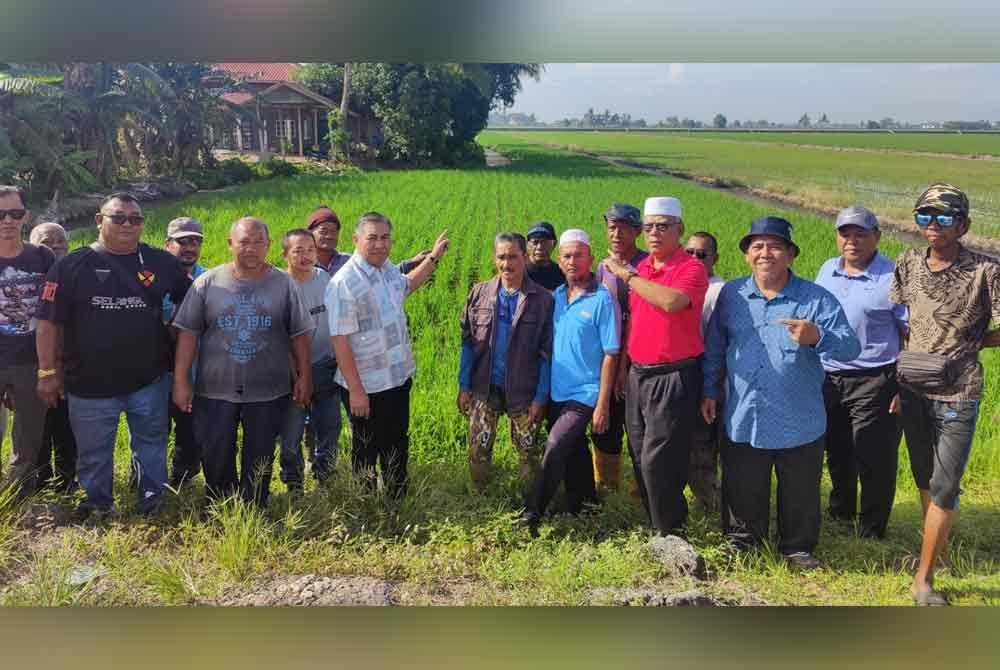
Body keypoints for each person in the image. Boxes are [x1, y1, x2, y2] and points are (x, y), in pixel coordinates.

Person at [702, 216, 860, 570]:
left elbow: (851, 346)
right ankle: (744, 543)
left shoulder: (815, 299)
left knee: (800, 489)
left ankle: (797, 547)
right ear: (746, 256)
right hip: (745, 412)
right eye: (756, 246)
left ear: (790, 254)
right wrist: (710, 389)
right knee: (743, 483)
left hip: (798, 415)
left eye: (774, 246)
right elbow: (715, 346)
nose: (765, 253)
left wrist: (817, 336)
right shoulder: (732, 295)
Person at [37, 192, 191, 518]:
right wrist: (47, 373)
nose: (127, 224)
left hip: (148, 380)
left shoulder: (161, 262)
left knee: (151, 448)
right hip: (89, 384)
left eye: (135, 219)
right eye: (118, 217)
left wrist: (175, 331)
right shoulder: (70, 266)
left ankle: (153, 504)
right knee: (93, 453)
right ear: (99, 220)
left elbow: (192, 302)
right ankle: (97, 505)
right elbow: (49, 324)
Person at [890, 184, 1000, 606]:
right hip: (914, 387)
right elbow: (903, 320)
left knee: (945, 485)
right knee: (924, 475)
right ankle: (938, 547)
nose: (932, 226)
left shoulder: (987, 271)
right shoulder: (908, 263)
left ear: (964, 225)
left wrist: (972, 343)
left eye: (943, 217)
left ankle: (923, 577)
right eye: (924, 216)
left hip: (959, 390)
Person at [172, 217, 314, 508]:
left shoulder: (284, 284)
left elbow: (299, 335)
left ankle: (254, 507)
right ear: (230, 244)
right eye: (244, 242)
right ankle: (221, 507)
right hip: (214, 389)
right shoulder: (207, 283)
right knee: (216, 452)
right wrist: (181, 380)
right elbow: (188, 334)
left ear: (269, 246)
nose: (251, 249)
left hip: (268, 389)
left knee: (260, 453)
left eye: (258, 242)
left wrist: (304, 376)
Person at [602, 197, 707, 536]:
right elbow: (637, 323)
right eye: (649, 227)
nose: (654, 233)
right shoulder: (646, 268)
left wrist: (627, 277)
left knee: (658, 459)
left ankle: (671, 531)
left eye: (663, 227)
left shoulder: (690, 268)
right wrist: (624, 369)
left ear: (680, 230)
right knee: (638, 452)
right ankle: (656, 523)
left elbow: (672, 302)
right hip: (639, 375)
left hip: (673, 375)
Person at [325, 212, 449, 499]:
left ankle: (397, 496)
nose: (380, 244)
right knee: (366, 446)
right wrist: (356, 391)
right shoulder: (345, 283)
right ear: (356, 240)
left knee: (396, 441)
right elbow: (339, 339)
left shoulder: (387, 269)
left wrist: (432, 258)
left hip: (397, 376)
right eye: (372, 238)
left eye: (385, 238)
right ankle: (365, 502)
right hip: (365, 386)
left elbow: (407, 285)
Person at [815, 206, 907, 539]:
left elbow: (910, 333)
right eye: (845, 234)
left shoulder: (893, 275)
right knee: (837, 449)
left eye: (860, 234)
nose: (851, 241)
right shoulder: (827, 269)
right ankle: (841, 513)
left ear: (877, 237)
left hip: (876, 377)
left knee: (874, 454)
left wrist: (904, 385)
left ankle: (872, 527)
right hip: (829, 375)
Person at [524, 229, 619, 529]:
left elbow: (610, 354)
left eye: (579, 255)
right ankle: (584, 506)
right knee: (574, 450)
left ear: (590, 258)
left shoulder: (603, 300)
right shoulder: (557, 298)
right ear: (560, 260)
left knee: (554, 445)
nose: (572, 261)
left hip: (585, 394)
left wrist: (602, 403)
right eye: (566, 256)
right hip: (557, 391)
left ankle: (532, 513)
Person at [459, 232, 552, 493]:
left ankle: (529, 501)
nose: (506, 264)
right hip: (484, 385)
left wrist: (541, 397)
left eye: (513, 256)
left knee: (528, 451)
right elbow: (467, 342)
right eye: (501, 257)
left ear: (524, 257)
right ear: (494, 258)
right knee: (478, 448)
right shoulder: (479, 294)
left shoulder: (543, 300)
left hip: (524, 389)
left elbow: (547, 354)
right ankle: (480, 495)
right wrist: (464, 385)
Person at [0, 186, 56, 499]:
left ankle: (16, 498)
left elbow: (55, 309)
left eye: (15, 213)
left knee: (28, 436)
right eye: (0, 214)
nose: (8, 220)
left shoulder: (41, 257)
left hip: (31, 360)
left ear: (26, 216)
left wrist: (53, 365)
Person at [278, 229, 340, 492]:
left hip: (325, 366)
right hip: (290, 373)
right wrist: (298, 376)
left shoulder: (324, 278)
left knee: (329, 427)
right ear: (285, 255)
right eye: (298, 251)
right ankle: (293, 483)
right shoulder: (278, 286)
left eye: (310, 250)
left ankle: (324, 475)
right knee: (291, 433)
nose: (305, 256)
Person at [592, 203, 647, 490]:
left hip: (639, 362)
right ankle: (606, 487)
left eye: (624, 227)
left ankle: (643, 493)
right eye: (612, 227)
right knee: (606, 425)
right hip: (608, 359)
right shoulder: (601, 268)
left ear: (637, 231)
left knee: (639, 428)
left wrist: (626, 365)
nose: (616, 233)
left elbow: (640, 320)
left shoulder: (646, 266)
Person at [28, 221, 77, 492]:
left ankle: (68, 482)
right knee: (37, 429)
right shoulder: (26, 282)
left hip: (71, 368)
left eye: (62, 243)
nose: (56, 248)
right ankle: (38, 482)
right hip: (33, 368)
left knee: (68, 428)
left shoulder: (77, 278)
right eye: (48, 243)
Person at [162, 217, 208, 488]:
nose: (190, 247)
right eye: (183, 241)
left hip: (196, 372)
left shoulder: (210, 279)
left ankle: (182, 480)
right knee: (154, 430)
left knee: (190, 431)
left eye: (195, 242)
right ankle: (145, 481)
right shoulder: (153, 279)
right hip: (157, 372)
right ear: (168, 244)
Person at [683, 231, 725, 511]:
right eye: (690, 253)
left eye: (702, 254)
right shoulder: (679, 282)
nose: (695, 259)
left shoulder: (720, 290)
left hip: (709, 370)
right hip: (681, 369)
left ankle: (708, 499)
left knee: (704, 437)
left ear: (715, 258)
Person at [309, 204, 429, 276]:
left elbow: (382, 275)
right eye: (323, 231)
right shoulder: (302, 266)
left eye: (334, 231)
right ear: (310, 232)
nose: (330, 236)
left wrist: (413, 262)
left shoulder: (348, 260)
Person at [525, 221, 566, 291]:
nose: (539, 247)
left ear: (554, 244)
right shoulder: (519, 271)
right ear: (528, 244)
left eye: (544, 242)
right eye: (535, 242)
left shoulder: (561, 273)